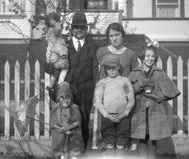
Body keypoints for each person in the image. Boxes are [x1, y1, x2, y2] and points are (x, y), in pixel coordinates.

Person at [128, 44, 180, 157]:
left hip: (155, 111)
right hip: (138, 111)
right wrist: (138, 87)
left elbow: (172, 91)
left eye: (152, 56)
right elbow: (127, 91)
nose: (150, 59)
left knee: (153, 138)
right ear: (142, 57)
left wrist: (158, 96)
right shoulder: (135, 72)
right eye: (147, 56)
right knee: (141, 138)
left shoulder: (159, 73)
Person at [64, 12, 99, 148]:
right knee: (67, 119)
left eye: (82, 27)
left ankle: (82, 150)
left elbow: (95, 69)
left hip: (87, 89)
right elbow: (50, 67)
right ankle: (68, 151)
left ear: (86, 29)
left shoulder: (92, 46)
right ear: (72, 29)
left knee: (83, 120)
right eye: (76, 27)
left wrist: (96, 90)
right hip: (69, 89)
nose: (79, 30)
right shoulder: (65, 46)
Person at [93, 54, 135, 150]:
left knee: (121, 144)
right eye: (108, 68)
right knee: (109, 144)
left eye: (113, 67)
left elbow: (131, 100)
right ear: (105, 69)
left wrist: (125, 113)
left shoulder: (125, 81)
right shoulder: (102, 83)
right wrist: (106, 114)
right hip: (107, 117)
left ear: (118, 67)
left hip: (123, 116)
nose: (111, 70)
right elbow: (98, 101)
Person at [50, 82, 84, 158]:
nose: (65, 100)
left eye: (68, 97)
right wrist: (58, 128)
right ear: (58, 99)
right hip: (61, 137)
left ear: (71, 98)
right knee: (63, 154)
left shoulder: (74, 108)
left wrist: (68, 128)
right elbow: (53, 123)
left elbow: (77, 122)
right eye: (62, 97)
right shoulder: (56, 109)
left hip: (72, 136)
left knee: (74, 153)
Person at [44, 12, 69, 91]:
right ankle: (54, 85)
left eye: (56, 25)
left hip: (67, 91)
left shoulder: (64, 40)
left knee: (65, 69)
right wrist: (55, 66)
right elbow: (44, 66)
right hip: (52, 90)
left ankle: (59, 84)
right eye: (51, 26)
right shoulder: (45, 44)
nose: (54, 28)